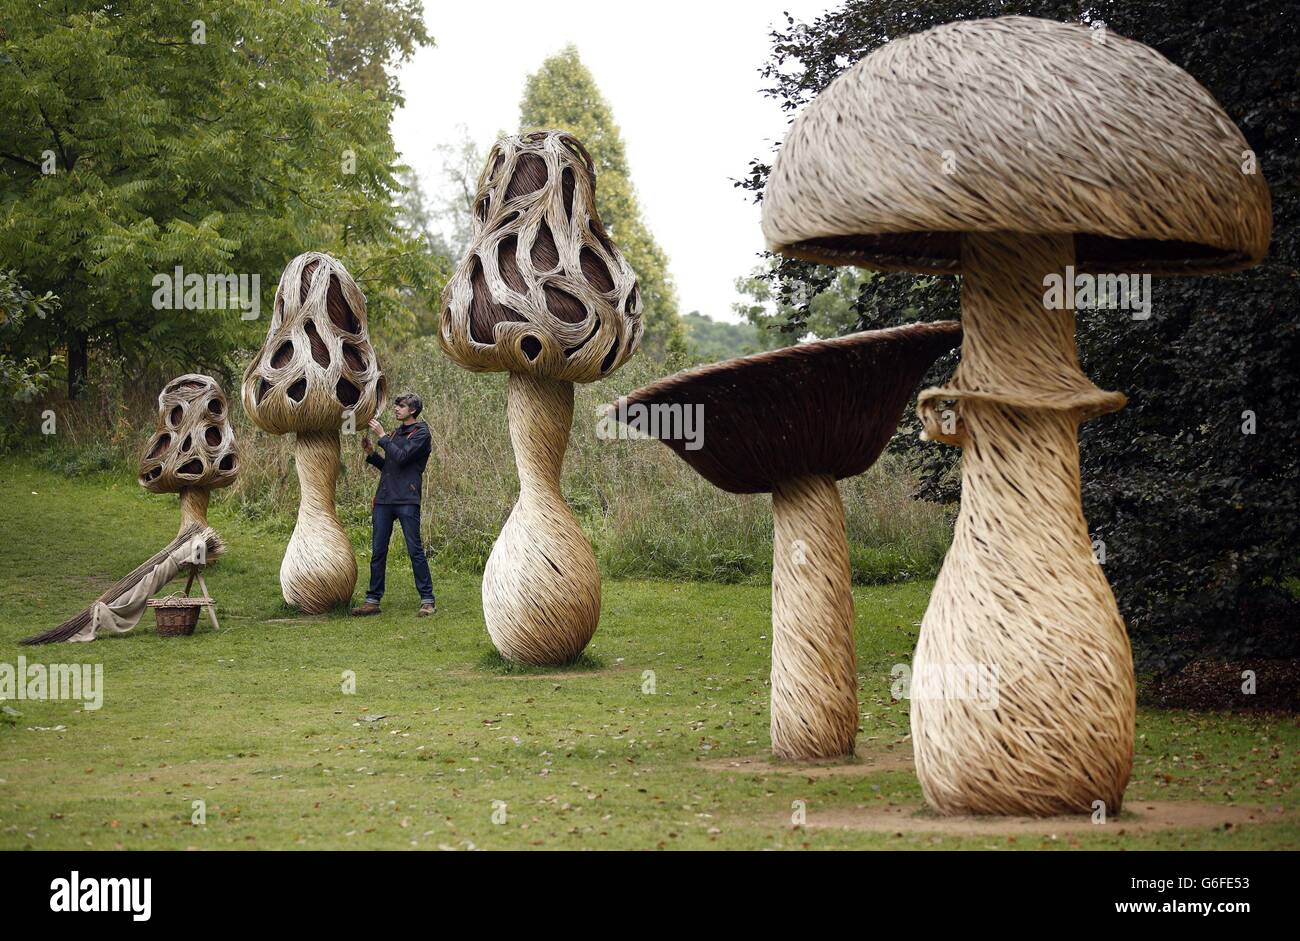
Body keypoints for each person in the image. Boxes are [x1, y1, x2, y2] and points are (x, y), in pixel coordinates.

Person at [351, 392, 436, 617]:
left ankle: (427, 600)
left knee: (414, 550)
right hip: (384, 500)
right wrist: (371, 454)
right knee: (378, 551)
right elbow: (390, 465)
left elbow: (402, 457)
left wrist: (381, 436)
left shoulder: (422, 433)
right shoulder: (397, 432)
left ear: (413, 411)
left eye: (402, 406)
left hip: (407, 499)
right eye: (396, 405)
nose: (396, 409)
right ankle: (372, 601)